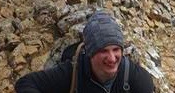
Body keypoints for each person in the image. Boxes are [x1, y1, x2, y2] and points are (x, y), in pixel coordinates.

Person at [14, 11, 155, 93]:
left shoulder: (139, 80)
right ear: (90, 52)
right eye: (103, 51)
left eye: (116, 49)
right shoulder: (73, 72)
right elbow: (25, 83)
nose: (112, 58)